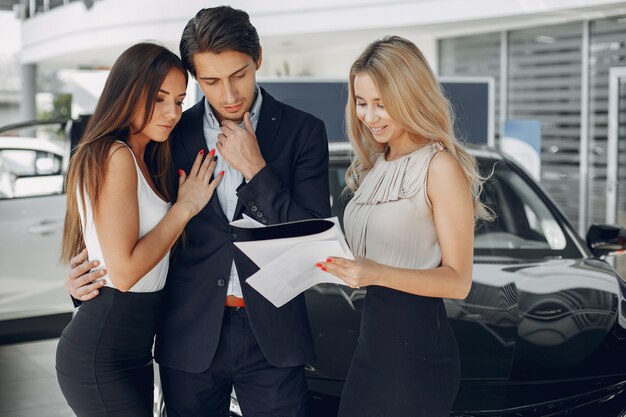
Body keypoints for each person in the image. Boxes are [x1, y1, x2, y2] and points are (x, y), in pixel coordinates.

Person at [65, 6, 330, 417]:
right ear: (194, 77)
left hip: (274, 337)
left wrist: (256, 170)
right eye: (210, 81)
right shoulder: (170, 131)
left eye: (239, 75)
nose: (228, 94)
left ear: (257, 57)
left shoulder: (303, 131)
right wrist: (83, 279)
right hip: (186, 334)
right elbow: (124, 214)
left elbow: (311, 240)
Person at [316, 36, 492, 417]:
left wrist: (374, 272)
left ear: (411, 97)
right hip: (372, 346)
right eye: (361, 103)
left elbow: (458, 281)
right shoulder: (377, 163)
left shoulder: (438, 166)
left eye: (382, 104)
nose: (369, 116)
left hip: (416, 356)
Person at [56, 42, 222, 417]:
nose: (172, 112)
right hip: (102, 352)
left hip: (135, 348)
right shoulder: (114, 156)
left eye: (179, 101)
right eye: (159, 98)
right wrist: (185, 208)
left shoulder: (144, 157)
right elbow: (127, 273)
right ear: (127, 91)